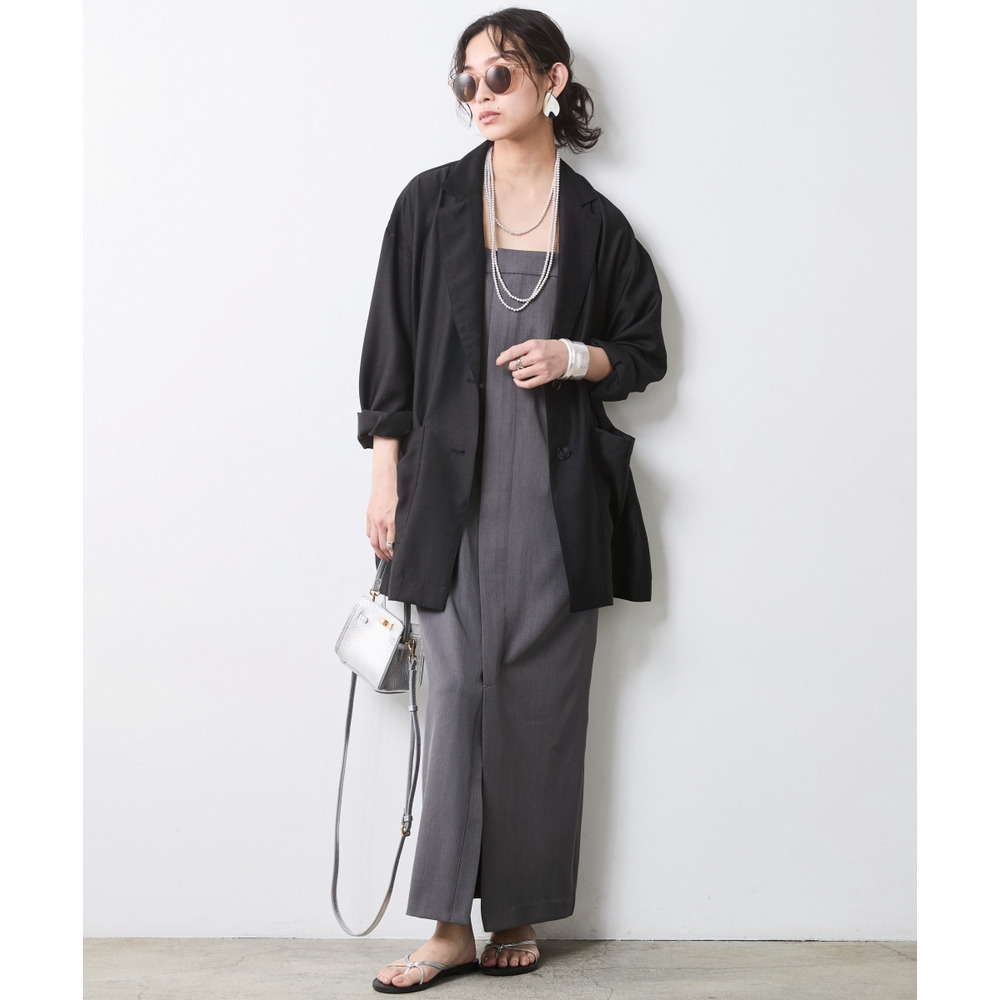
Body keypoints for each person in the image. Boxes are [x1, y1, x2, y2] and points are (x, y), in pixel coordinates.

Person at [358, 8, 667, 993]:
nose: (480, 95)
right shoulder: (430, 205)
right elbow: (390, 349)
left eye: (500, 74)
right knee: (454, 698)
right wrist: (383, 474)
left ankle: (519, 909)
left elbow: (644, 352)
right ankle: (448, 924)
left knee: (540, 702)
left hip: (554, 500)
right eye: (468, 80)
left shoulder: (599, 225)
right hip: (447, 497)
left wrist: (576, 356)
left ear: (552, 80)